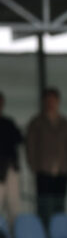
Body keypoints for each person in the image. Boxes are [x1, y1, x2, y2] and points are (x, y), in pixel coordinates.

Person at [25, 87, 67, 224]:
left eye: (53, 101)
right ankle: (45, 235)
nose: (50, 104)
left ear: (58, 102)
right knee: (44, 205)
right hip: (43, 170)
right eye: (48, 101)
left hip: (62, 170)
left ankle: (60, 234)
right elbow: (30, 146)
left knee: (60, 203)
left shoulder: (65, 123)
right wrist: (34, 165)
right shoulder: (36, 122)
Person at [0, 91, 24, 222]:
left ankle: (15, 237)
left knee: (13, 204)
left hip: (10, 168)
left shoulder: (8, 123)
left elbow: (19, 139)